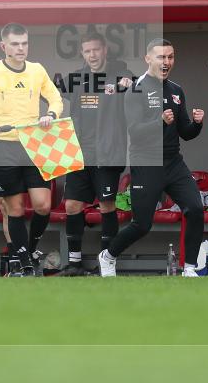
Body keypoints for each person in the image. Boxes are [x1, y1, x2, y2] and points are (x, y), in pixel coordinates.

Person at [0, 23, 64, 277]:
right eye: (15, 44)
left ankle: (29, 250)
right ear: (4, 46)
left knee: (43, 205)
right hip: (2, 148)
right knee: (14, 209)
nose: (20, 48)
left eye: (24, 43)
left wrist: (50, 114)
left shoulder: (37, 70)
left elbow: (56, 99)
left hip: (34, 145)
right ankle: (26, 264)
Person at [98, 38, 205, 277]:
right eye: (161, 57)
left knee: (196, 209)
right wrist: (159, 121)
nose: (166, 62)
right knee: (142, 224)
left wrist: (197, 124)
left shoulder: (176, 90)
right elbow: (134, 130)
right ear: (148, 59)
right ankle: (108, 255)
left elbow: (185, 132)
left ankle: (189, 268)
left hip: (173, 162)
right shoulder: (136, 88)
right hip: (146, 161)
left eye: (170, 57)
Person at [56, 32, 133, 276]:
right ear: (82, 53)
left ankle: (106, 263)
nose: (92, 55)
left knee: (106, 205)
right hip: (78, 152)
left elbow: (136, 86)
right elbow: (50, 93)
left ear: (105, 50)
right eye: (87, 51)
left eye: (96, 50)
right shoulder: (75, 79)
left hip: (108, 153)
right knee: (72, 206)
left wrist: (129, 84)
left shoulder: (121, 75)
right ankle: (74, 262)